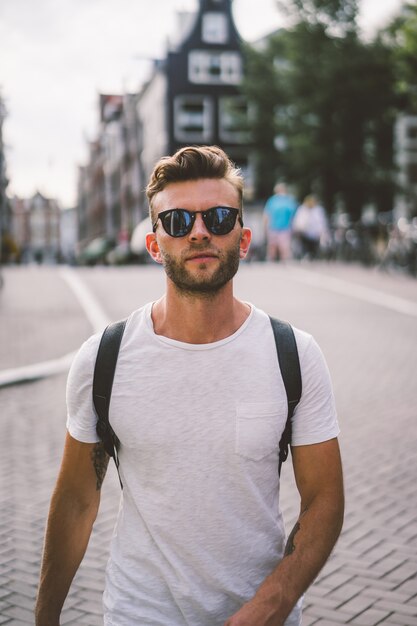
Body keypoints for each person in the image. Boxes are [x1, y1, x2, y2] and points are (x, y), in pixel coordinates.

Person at [35, 146, 344, 626]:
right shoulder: (104, 358)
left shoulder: (295, 355)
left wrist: (274, 603)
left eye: (219, 218)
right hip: (139, 613)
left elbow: (325, 498)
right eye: (178, 221)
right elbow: (77, 499)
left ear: (242, 239)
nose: (200, 232)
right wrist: (44, 618)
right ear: (155, 244)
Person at [263, 183, 297, 261]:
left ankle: (280, 262)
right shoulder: (273, 200)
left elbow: (266, 215)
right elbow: (267, 215)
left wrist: (265, 227)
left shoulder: (287, 200)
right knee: (274, 247)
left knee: (282, 247)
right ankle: (276, 262)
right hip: (275, 227)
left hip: (283, 227)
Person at [292, 195, 329, 260]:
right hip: (304, 232)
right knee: (304, 245)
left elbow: (321, 222)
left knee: (315, 246)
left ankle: (314, 256)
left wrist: (322, 231)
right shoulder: (302, 209)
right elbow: (298, 221)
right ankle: (305, 255)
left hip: (315, 233)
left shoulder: (318, 210)